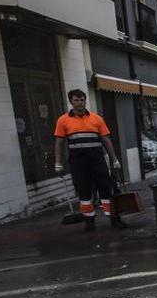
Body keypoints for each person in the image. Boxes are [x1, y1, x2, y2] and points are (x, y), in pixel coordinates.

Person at [54, 89, 127, 232]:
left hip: (97, 160)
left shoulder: (96, 118)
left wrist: (114, 160)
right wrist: (58, 163)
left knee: (106, 189)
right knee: (84, 192)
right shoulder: (63, 120)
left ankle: (114, 219)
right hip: (78, 162)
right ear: (71, 101)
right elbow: (59, 142)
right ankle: (89, 221)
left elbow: (106, 140)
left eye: (82, 100)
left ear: (85, 101)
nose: (80, 103)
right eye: (76, 100)